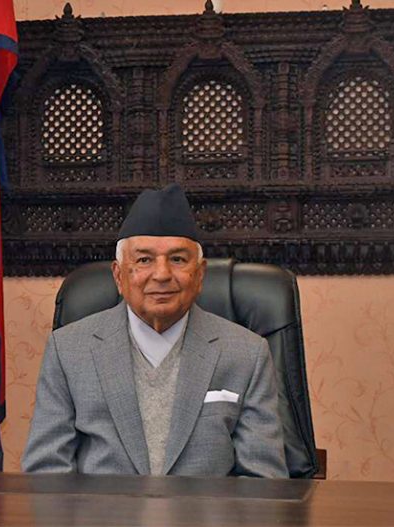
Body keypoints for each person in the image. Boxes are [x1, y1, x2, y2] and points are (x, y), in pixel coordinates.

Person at [22, 183, 287, 477]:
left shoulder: (247, 353)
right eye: (144, 260)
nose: (161, 274)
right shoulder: (68, 350)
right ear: (118, 276)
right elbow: (47, 473)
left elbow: (263, 482)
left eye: (177, 259)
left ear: (200, 275)